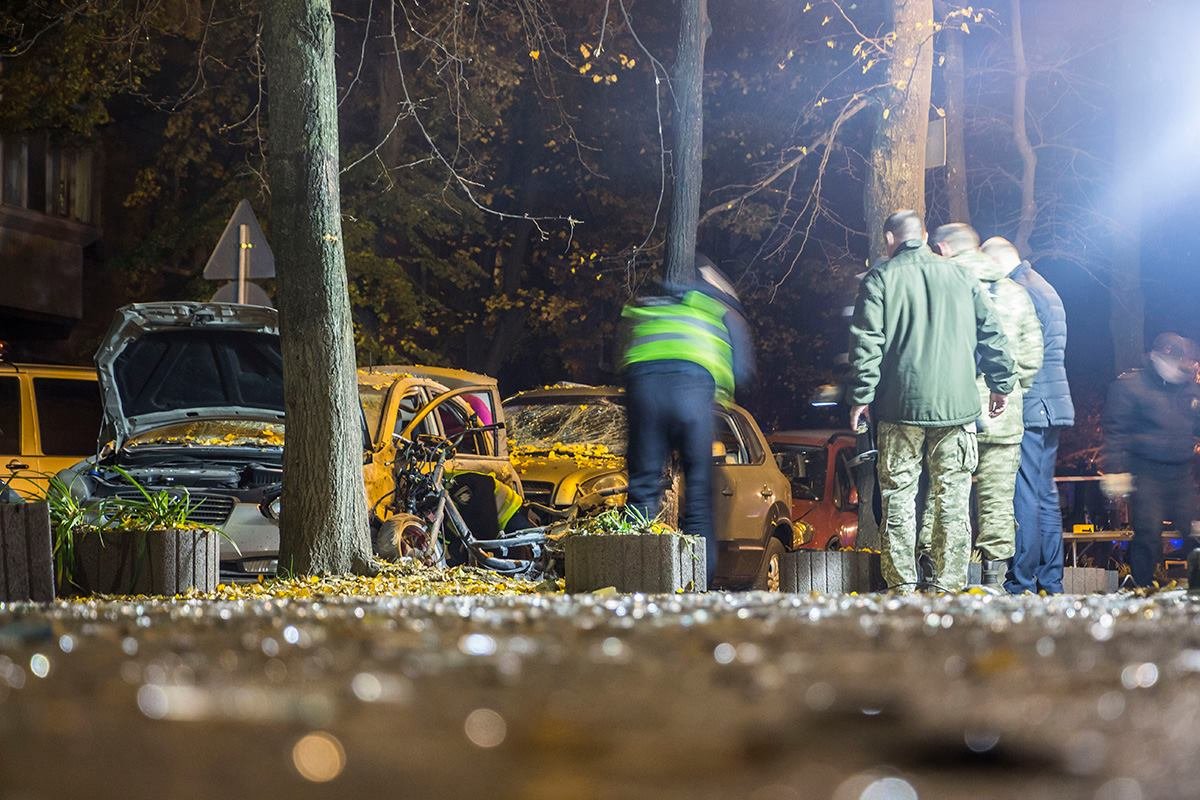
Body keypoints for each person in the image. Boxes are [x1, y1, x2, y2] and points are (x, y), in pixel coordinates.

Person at [848, 210, 1016, 592]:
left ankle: (902, 584)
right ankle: (950, 583)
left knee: (898, 498)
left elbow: (866, 342)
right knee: (954, 498)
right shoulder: (960, 274)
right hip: (956, 410)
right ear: (924, 235)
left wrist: (861, 396)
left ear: (890, 239)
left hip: (899, 407)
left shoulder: (881, 278)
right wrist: (1000, 383)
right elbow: (992, 332)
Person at [620, 254, 755, 587]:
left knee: (642, 490)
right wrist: (723, 392)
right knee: (698, 497)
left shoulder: (645, 306)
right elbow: (743, 369)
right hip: (692, 396)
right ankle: (697, 583)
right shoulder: (714, 309)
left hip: (644, 390)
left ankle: (627, 581)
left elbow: (621, 356)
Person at [922, 227, 1043, 586]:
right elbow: (1032, 357)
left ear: (944, 250)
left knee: (943, 493)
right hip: (1003, 413)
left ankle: (936, 573)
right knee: (997, 499)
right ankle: (994, 578)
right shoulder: (1016, 294)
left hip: (952, 410)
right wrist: (1010, 389)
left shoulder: (939, 288)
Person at [982, 237, 1075, 594]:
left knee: (1024, 493)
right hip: (1053, 400)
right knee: (1045, 494)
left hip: (1034, 401)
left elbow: (1016, 349)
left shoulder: (1019, 290)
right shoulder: (1044, 286)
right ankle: (1051, 580)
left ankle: (1020, 579)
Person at [1101, 332, 1200, 587]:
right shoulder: (1131, 387)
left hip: (1181, 471)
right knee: (1147, 533)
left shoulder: (1189, 390)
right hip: (1146, 472)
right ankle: (1142, 586)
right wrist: (1115, 470)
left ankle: (1197, 586)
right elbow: (1116, 430)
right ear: (1157, 357)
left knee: (1193, 533)